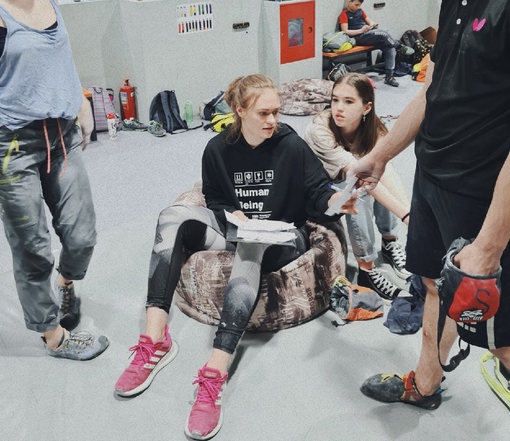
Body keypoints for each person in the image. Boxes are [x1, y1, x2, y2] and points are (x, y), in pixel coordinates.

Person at [114, 74, 356, 439]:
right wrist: (232, 214)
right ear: (239, 111)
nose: (273, 120)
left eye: (276, 112)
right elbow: (214, 198)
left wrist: (338, 201)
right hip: (238, 230)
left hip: (283, 239)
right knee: (171, 216)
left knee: (251, 245)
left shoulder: (291, 145)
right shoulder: (217, 149)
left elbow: (318, 191)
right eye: (263, 113)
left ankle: (216, 370)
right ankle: (155, 339)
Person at [354, 0, 510, 410]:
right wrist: (382, 154)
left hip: (485, 197)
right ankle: (424, 383)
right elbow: (433, 88)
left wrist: (489, 245)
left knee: (503, 338)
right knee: (430, 285)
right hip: (435, 177)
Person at [0, 0, 109, 360]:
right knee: (32, 246)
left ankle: (66, 283)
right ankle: (53, 335)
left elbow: (58, 54)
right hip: (12, 147)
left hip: (61, 137)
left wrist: (79, 99)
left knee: (81, 236)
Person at [305, 72, 411, 301]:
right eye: (335, 100)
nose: (338, 108)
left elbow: (383, 170)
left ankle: (390, 241)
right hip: (320, 192)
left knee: (377, 177)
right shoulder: (319, 129)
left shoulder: (374, 129)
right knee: (358, 190)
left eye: (348, 101)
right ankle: (366, 269)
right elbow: (360, 176)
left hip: (352, 179)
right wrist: (407, 217)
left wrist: (411, 216)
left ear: (366, 108)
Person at [339, 0, 414, 87]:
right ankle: (399, 46)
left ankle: (389, 76)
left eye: (360, 5)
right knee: (383, 33)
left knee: (389, 46)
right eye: (356, 5)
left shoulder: (360, 11)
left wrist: (373, 25)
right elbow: (345, 31)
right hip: (358, 37)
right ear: (349, 1)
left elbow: (370, 21)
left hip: (367, 34)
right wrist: (361, 30)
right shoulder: (344, 14)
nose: (358, 7)